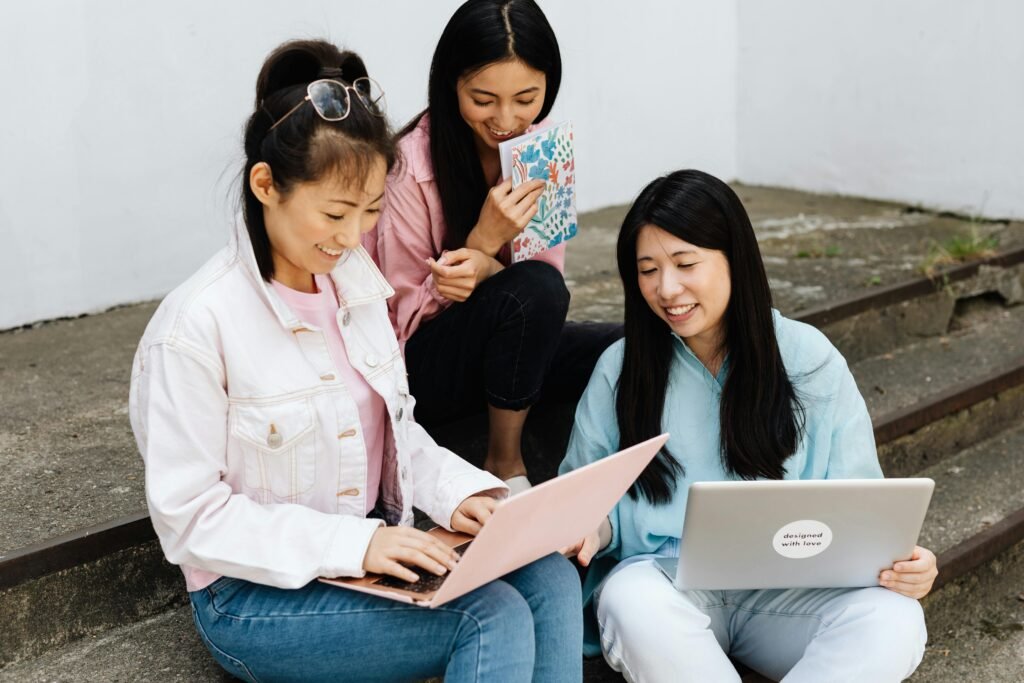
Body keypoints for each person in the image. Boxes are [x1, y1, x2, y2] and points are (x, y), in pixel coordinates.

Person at [128, 39, 581, 682]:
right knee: (491, 616)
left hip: (364, 551)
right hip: (250, 596)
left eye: (369, 213)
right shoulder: (196, 326)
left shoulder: (356, 286)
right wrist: (357, 542)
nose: (350, 237)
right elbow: (191, 519)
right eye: (336, 213)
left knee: (548, 573)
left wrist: (469, 496)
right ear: (266, 185)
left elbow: (397, 432)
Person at [560, 170, 937, 682]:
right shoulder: (621, 369)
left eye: (685, 264)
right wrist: (587, 526)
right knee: (630, 601)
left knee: (894, 620)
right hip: (667, 587)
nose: (666, 288)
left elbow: (862, 502)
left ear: (734, 257)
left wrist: (906, 565)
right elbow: (586, 500)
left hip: (792, 591)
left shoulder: (807, 356)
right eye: (648, 270)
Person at [370, 0, 622, 492]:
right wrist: (481, 243)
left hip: (505, 354)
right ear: (452, 85)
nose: (506, 118)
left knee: (628, 346)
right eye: (483, 99)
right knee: (536, 289)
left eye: (526, 97)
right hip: (422, 371)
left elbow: (543, 289)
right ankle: (504, 463)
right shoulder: (408, 167)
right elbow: (396, 325)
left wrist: (487, 265)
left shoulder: (544, 149)